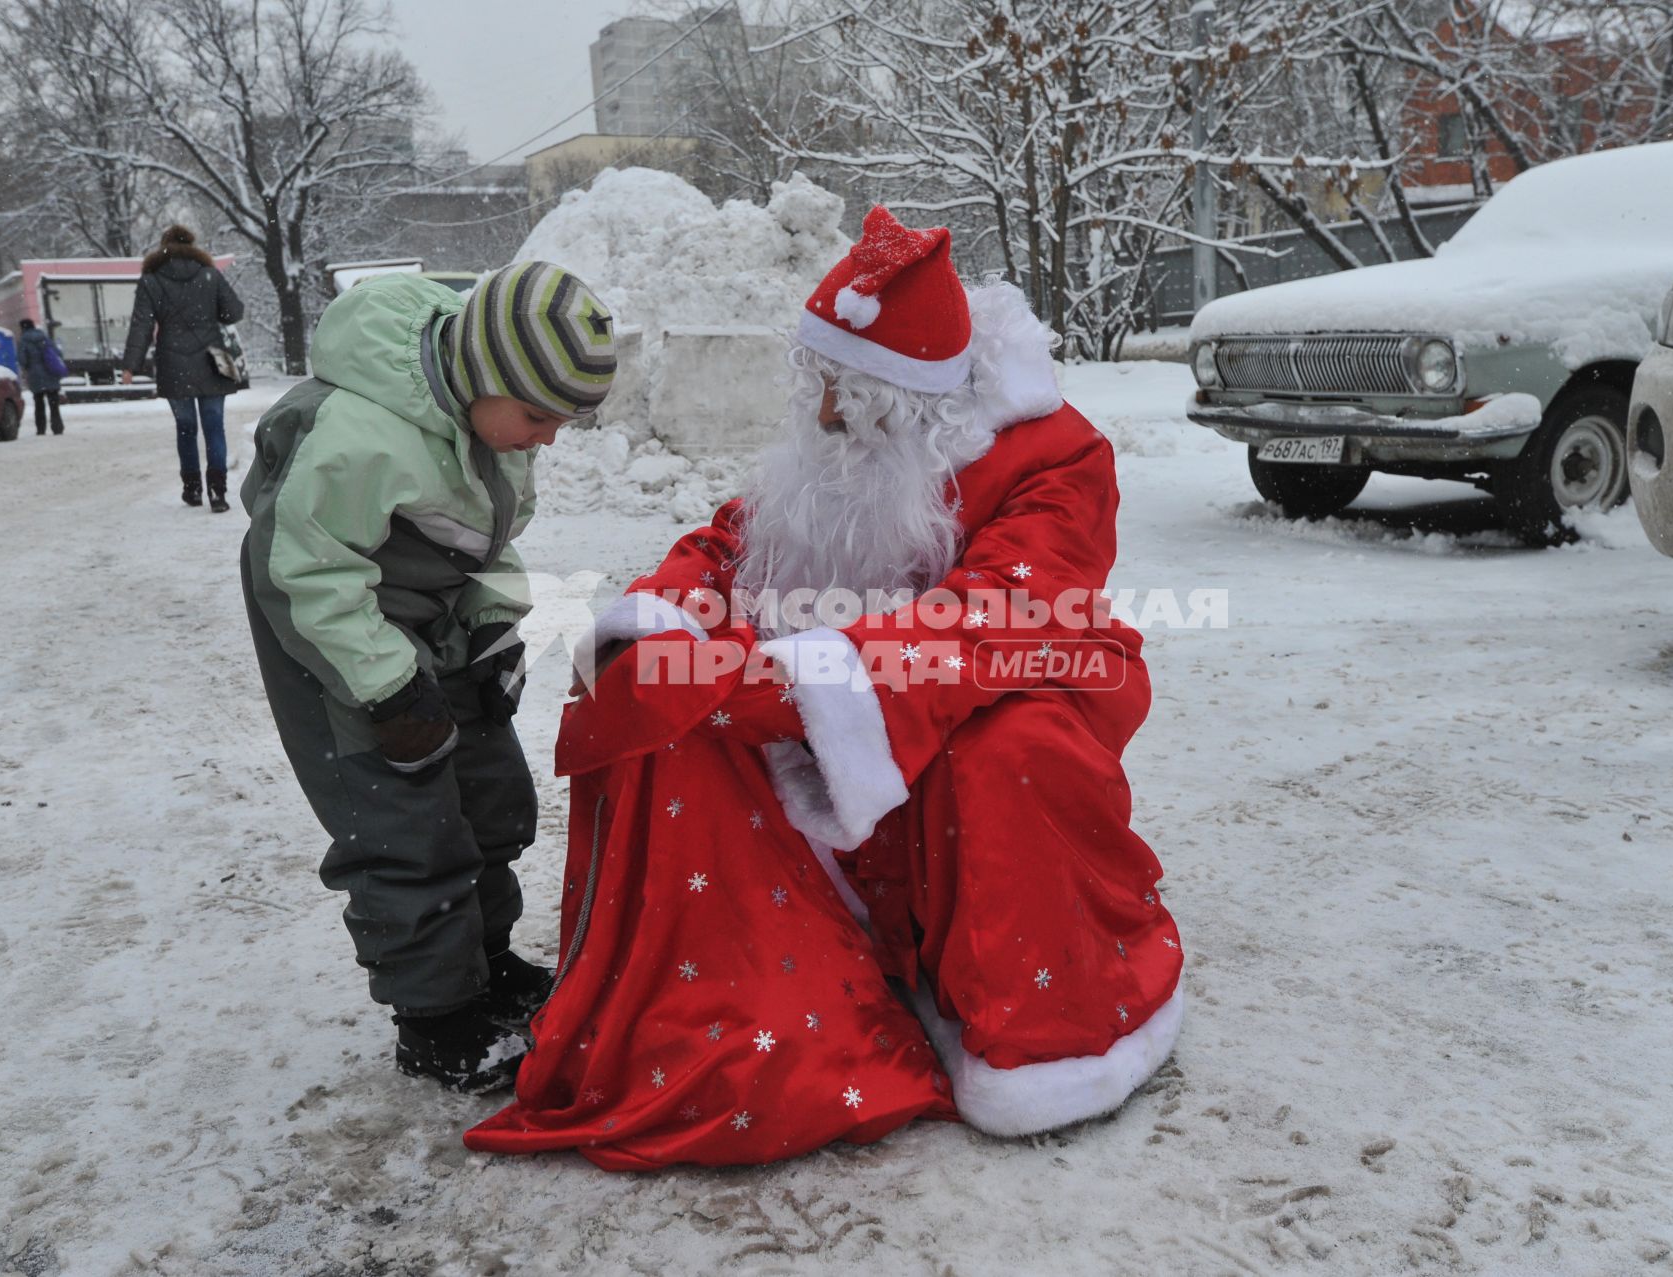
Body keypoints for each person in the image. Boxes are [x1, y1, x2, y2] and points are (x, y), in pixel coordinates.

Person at [466, 209, 1184, 1170]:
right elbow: (734, 542)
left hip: (1024, 671)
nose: (832, 416)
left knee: (1006, 755)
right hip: (860, 678)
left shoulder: (1053, 457)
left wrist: (795, 686)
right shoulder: (840, 437)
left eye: (859, 397)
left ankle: (1039, 1025)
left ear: (926, 403)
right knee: (667, 706)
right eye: (824, 387)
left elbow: (1002, 616)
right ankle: (753, 1003)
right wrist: (668, 619)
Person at [240, 262, 617, 1092]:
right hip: (341, 634)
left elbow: (489, 542)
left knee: (488, 791)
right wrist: (386, 687)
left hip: (432, 611)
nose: (547, 437)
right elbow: (302, 572)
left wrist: (491, 626)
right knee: (403, 817)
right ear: (485, 377)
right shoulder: (358, 437)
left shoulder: (490, 424)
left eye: (563, 422)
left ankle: (483, 960)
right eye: (538, 416)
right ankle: (438, 1020)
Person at [121, 224, 246, 511]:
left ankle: (192, 489)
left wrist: (131, 365)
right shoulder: (210, 274)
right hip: (212, 360)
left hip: (172, 362)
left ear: (163, 246)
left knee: (186, 428)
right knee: (214, 426)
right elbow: (233, 312)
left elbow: (141, 324)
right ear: (192, 245)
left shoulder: (151, 279)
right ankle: (218, 492)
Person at [15, 318, 65, 436]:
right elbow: (59, 354)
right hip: (51, 374)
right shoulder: (44, 338)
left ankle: (41, 429)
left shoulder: (24, 341)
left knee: (39, 404)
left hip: (36, 376)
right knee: (54, 404)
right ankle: (57, 427)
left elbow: (22, 360)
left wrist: (29, 367)